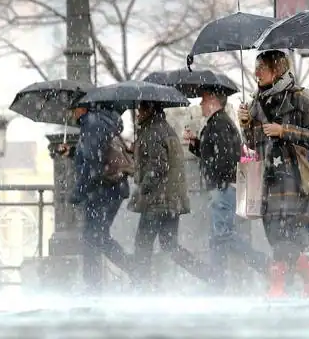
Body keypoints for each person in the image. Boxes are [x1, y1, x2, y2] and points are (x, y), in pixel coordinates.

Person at [237, 50, 309, 298]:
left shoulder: (302, 99)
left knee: (287, 235)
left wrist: (283, 130)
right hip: (267, 178)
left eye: (261, 67)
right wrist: (245, 125)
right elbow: (253, 144)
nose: (256, 73)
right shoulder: (256, 103)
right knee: (275, 236)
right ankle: (308, 270)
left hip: (294, 178)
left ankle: (278, 287)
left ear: (276, 69)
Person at [184, 89, 270, 294]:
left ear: (214, 101)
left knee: (222, 236)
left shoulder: (220, 124)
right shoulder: (218, 123)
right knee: (217, 238)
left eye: (204, 100)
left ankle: (263, 264)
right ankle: (218, 280)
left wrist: (217, 180)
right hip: (223, 187)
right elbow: (215, 155)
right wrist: (197, 144)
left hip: (223, 189)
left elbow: (224, 159)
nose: (201, 104)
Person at [129, 101, 211, 292]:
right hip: (171, 201)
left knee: (142, 245)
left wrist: (143, 188)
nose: (138, 113)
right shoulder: (165, 129)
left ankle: (140, 288)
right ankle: (209, 275)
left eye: (141, 109)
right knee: (170, 246)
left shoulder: (152, 132)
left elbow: (158, 166)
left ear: (150, 110)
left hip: (158, 201)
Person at [62, 102, 133, 294]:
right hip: (109, 189)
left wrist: (77, 193)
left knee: (94, 237)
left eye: (72, 108)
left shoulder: (92, 124)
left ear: (81, 108)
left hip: (103, 190)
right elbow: (95, 155)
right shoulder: (98, 123)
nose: (70, 113)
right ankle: (99, 283)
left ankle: (97, 284)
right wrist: (73, 153)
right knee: (96, 237)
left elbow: (92, 164)